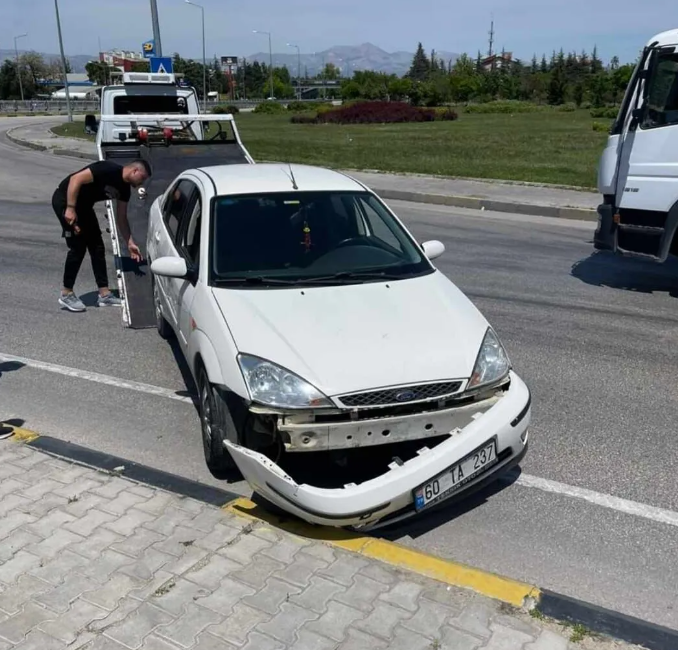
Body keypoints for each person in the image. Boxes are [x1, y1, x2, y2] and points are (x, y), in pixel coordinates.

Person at [52, 159, 151, 312]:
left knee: (97, 247)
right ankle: (66, 293)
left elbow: (121, 218)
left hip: (84, 207)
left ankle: (104, 294)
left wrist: (130, 242)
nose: (141, 184)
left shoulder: (124, 189)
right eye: (142, 179)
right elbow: (75, 179)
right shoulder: (107, 168)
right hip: (66, 200)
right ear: (135, 171)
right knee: (78, 248)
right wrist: (70, 208)